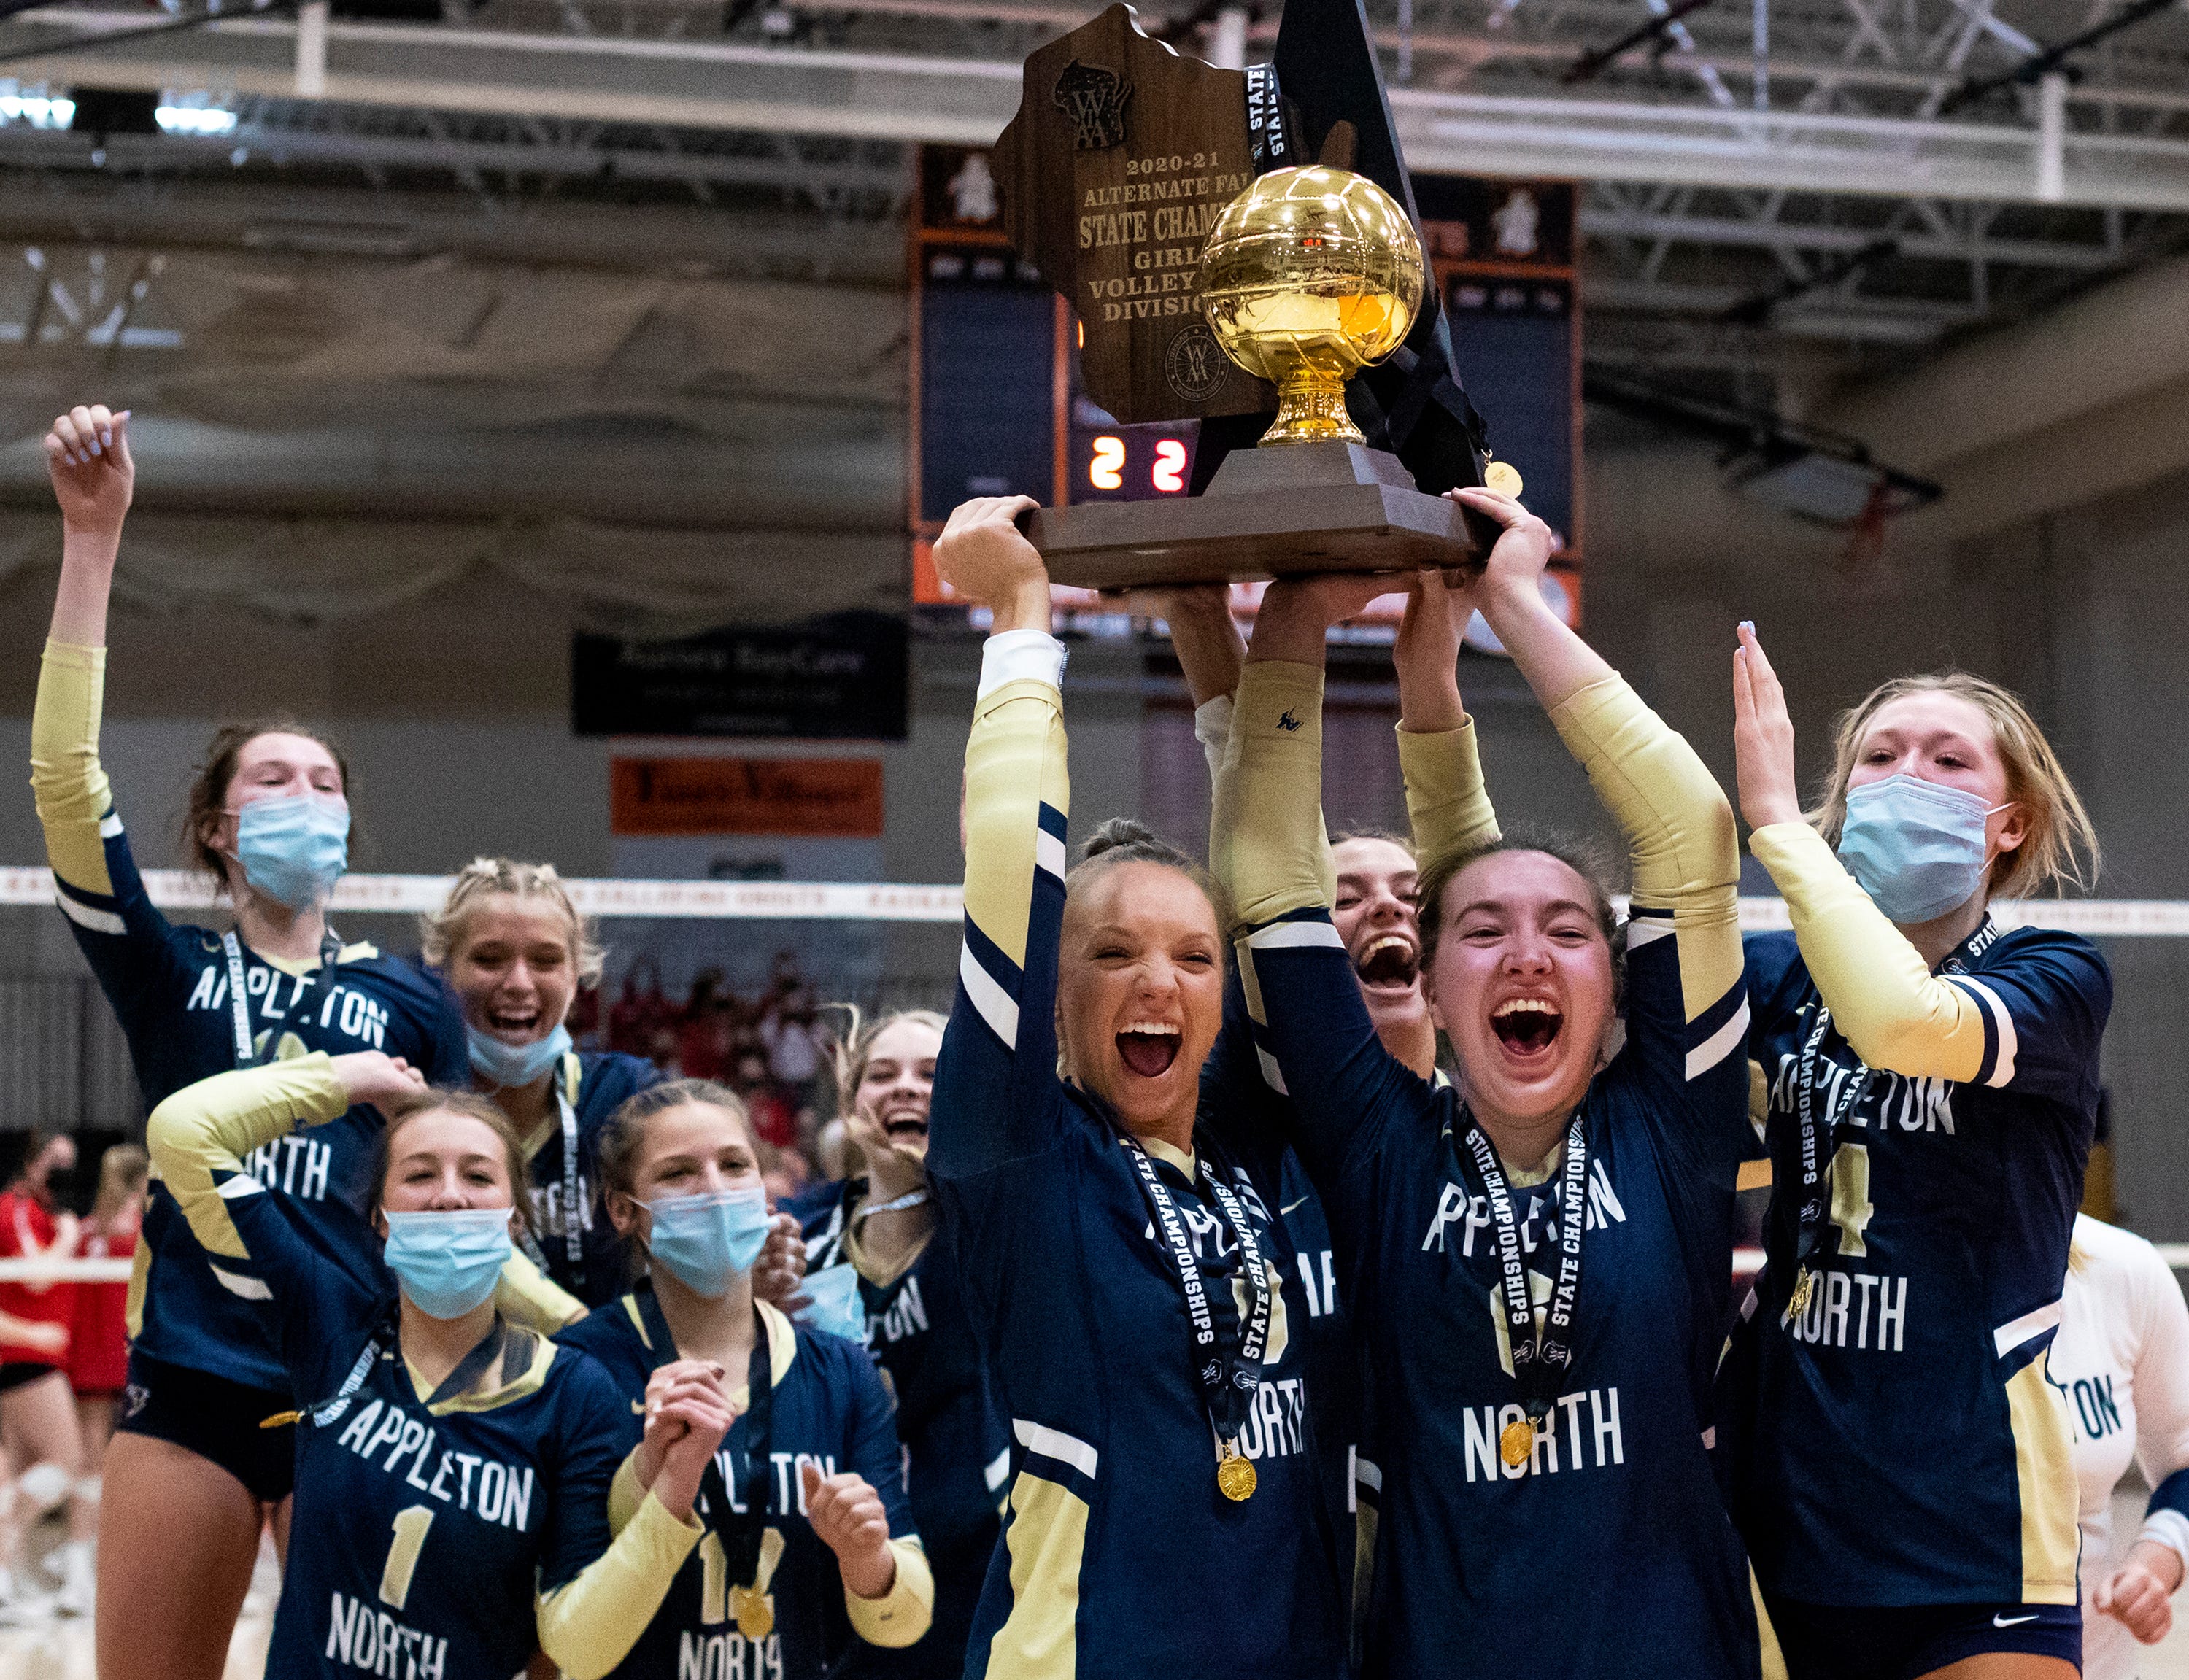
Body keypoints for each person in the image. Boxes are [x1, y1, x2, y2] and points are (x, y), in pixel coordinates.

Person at [1213, 487, 1756, 1679]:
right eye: (1484, 933)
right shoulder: (1378, 1140)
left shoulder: (1675, 1120)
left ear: (1617, 990)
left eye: (1567, 929)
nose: (1524, 954)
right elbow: (1267, 873)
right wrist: (1298, 619)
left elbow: (1693, 832)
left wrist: (1517, 601)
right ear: (1434, 981)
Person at [24, 402, 494, 1680]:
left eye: (325, 781)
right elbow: (67, 784)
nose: (305, 797)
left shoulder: (412, 995)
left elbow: (472, 1183)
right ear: (220, 833)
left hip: (363, 1384)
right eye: (270, 782)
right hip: (196, 1382)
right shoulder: (174, 978)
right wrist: (93, 536)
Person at [927, 497, 1347, 1679]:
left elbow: (1275, 876)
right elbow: (1014, 885)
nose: (1159, 979)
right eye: (1112, 952)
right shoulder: (1022, 1157)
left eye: (1194, 956)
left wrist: (1251, 639)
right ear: (1052, 995)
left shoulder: (1264, 1164)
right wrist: (1019, 621)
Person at [1726, 627, 2111, 1679]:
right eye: (1880, 756)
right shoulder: (1776, 977)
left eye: (1948, 759)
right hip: (1792, 1494)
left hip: (1972, 1510)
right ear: (1844, 806)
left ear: (2009, 820)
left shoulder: (2054, 970)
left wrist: (1772, 819)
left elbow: (1906, 1021)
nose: (1908, 777)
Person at [145, 1053, 718, 1679]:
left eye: (478, 1176)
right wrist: (350, 1080)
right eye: (420, 1175)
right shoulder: (331, 1319)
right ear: (381, 1220)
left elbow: (579, 1649)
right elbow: (183, 1131)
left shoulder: (576, 1393)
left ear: (514, 1219)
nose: (449, 1195)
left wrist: (672, 1495)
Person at [558, 1078, 935, 1678]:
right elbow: (574, 1650)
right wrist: (666, 1484)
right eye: (678, 1173)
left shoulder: (840, 1367)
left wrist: (868, 1559)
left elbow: (906, 1619)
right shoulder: (579, 1365)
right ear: (623, 1209)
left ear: (763, 1190)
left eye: (734, 1165)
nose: (712, 1188)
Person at [800, 1007, 1008, 1678]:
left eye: (932, 1073)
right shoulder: (795, 1234)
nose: (906, 1088)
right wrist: (763, 1305)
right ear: (851, 1103)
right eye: (882, 1075)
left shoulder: (1002, 1222)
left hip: (974, 1566)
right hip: (825, 1555)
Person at [2049, 1213, 2189, 1679]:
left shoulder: (2124, 1269)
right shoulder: (1874, 1271)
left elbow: (2182, 1462)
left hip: (2096, 1659)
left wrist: (2153, 1564)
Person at [0, 1131, 89, 1617]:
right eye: (56, 1162)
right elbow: (33, 1274)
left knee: (20, 1466)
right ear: (32, 1163)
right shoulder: (16, 1207)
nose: (65, 1172)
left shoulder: (45, 1211)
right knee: (67, 1461)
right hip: (26, 1356)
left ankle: (4, 1581)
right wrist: (70, 1238)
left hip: (43, 1355)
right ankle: (8, 1520)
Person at [58, 1142, 148, 1617]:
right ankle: (86, 1571)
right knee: (128, 1469)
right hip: (125, 1360)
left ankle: (78, 1567)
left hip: (89, 1360)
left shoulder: (86, 1229)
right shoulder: (141, 1233)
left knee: (91, 1465)